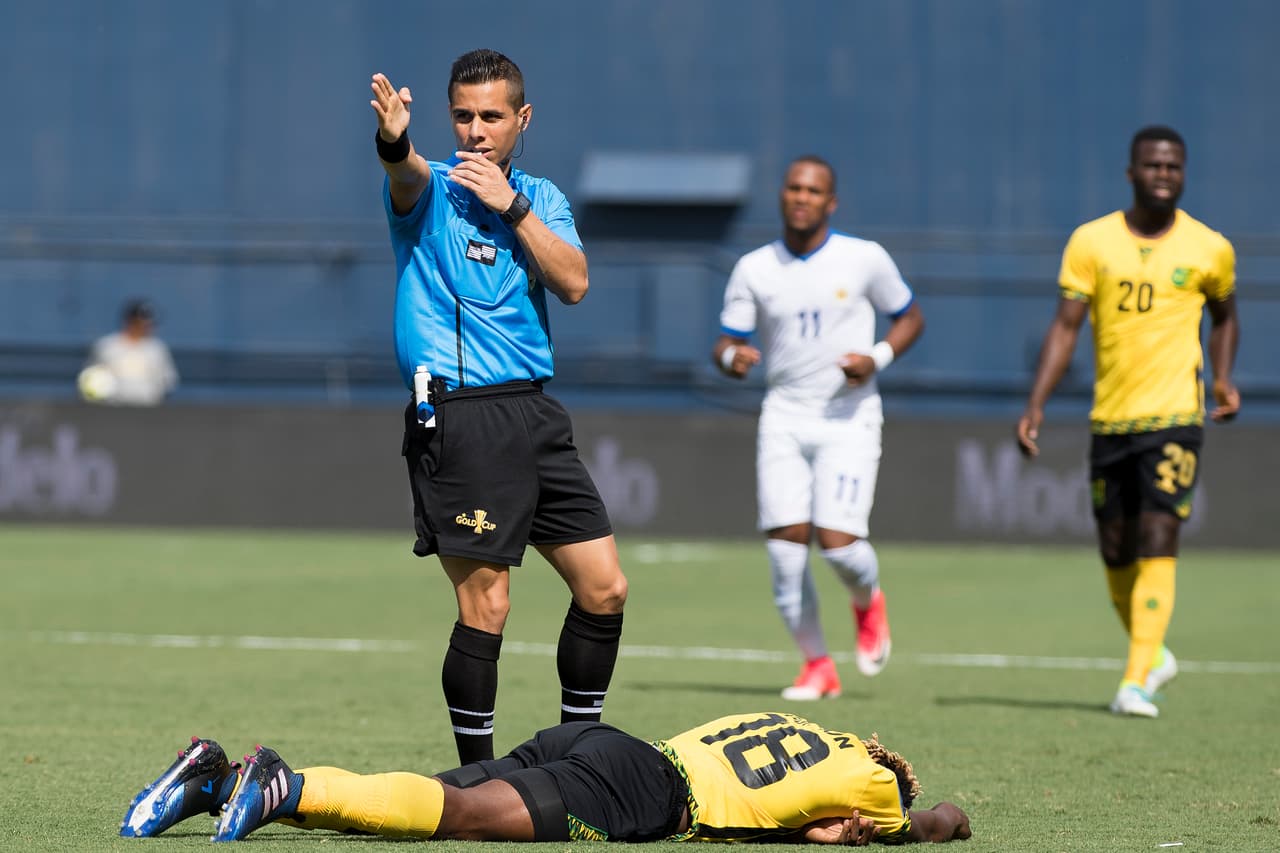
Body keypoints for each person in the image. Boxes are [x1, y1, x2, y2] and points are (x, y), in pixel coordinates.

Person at [368, 49, 627, 763]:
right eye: (463, 115)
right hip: (459, 414)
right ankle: (478, 780)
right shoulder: (433, 192)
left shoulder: (541, 198)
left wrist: (510, 206)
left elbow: (573, 282)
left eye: (490, 116)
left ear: (522, 118)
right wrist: (395, 139)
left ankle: (580, 753)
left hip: (534, 413)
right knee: (487, 605)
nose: (475, 131)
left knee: (604, 588)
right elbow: (402, 168)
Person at [1016, 125, 1240, 718]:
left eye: (1173, 166)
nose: (1163, 174)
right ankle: (1153, 653)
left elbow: (1225, 318)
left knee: (1158, 533)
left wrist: (1221, 378)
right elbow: (1065, 327)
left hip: (1175, 417)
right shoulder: (1092, 242)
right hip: (1110, 419)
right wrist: (1037, 401)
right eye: (1152, 165)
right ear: (1131, 172)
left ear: (1183, 173)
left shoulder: (1209, 247)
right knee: (1115, 549)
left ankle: (1135, 681)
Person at [712, 156, 925, 700]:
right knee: (785, 549)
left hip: (848, 418)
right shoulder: (755, 269)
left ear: (831, 203)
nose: (801, 197)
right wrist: (732, 356)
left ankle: (867, 598)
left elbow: (910, 317)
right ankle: (818, 666)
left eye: (814, 190)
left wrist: (876, 357)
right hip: (783, 416)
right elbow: (725, 341)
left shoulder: (863, 259)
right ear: (781, 196)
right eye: (793, 188)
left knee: (838, 545)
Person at [120, 710, 972, 844]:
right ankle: (285, 786)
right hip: (650, 795)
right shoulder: (875, 788)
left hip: (604, 742)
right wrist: (931, 817)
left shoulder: (800, 731)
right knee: (454, 816)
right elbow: (944, 818)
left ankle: (219, 777)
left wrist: (812, 831)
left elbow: (795, 814)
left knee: (415, 800)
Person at [78, 298, 179, 405]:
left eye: (149, 323)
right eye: (141, 322)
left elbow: (168, 379)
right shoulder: (107, 346)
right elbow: (90, 376)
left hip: (148, 410)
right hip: (112, 408)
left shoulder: (157, 349)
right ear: (130, 320)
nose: (146, 326)